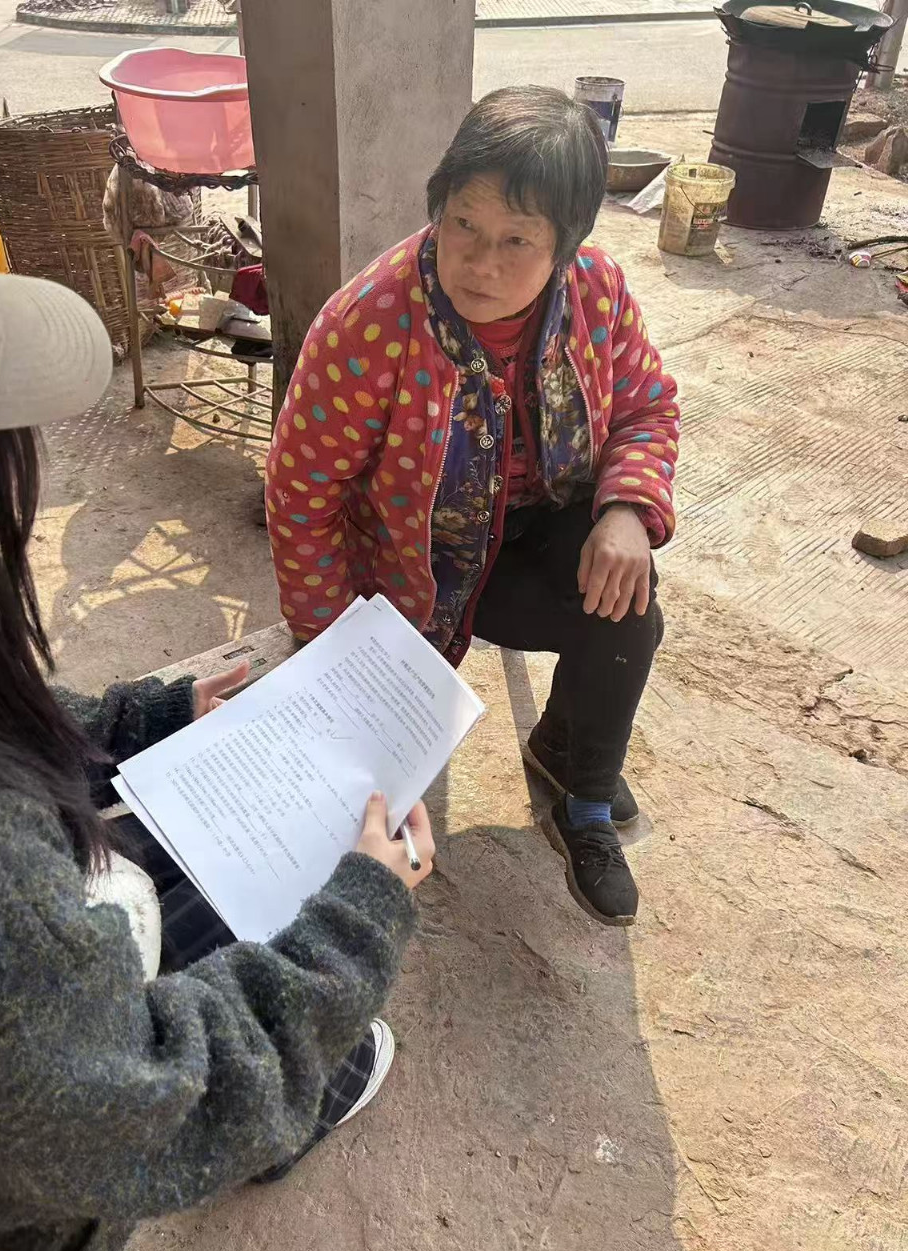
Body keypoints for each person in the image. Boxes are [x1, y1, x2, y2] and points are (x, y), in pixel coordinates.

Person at [0, 206, 434, 1251]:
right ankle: (307, 1090)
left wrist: (139, 720)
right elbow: (141, 1110)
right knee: (254, 919)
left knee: (175, 866)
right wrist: (358, 919)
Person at [265, 86, 679, 927]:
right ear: (439, 207)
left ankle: (579, 787)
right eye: (463, 224)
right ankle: (561, 748)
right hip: (418, 567)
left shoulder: (596, 293)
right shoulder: (371, 322)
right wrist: (332, 649)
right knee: (353, 809)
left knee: (629, 609)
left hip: (543, 521)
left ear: (566, 245)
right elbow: (302, 493)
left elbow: (645, 406)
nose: (481, 264)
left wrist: (628, 510)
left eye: (517, 240)